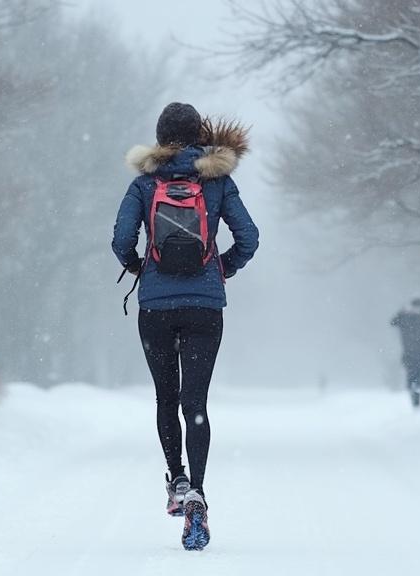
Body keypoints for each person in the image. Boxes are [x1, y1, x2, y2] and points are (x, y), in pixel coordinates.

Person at [112, 102, 259, 551]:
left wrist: (141, 267)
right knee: (195, 401)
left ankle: (175, 479)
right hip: (204, 306)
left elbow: (120, 240)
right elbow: (249, 238)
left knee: (166, 396)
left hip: (155, 306)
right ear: (199, 136)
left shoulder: (143, 183)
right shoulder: (216, 181)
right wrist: (222, 268)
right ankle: (197, 491)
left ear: (160, 138)